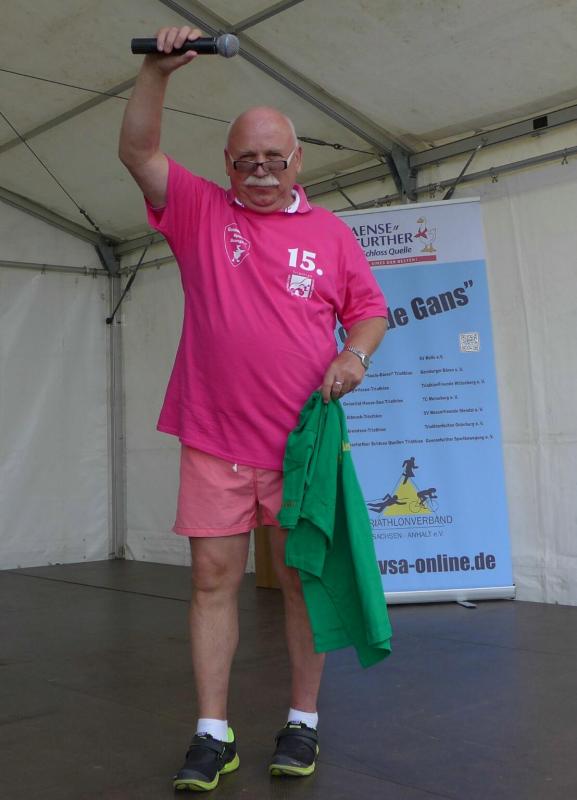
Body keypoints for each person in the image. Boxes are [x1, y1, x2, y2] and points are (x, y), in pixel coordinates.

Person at [119, 25, 388, 792]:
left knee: (302, 581)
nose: (261, 171)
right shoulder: (200, 211)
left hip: (299, 446)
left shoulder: (330, 235)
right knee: (212, 579)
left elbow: (369, 310)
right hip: (214, 438)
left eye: (274, 158)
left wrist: (354, 355)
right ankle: (213, 734)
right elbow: (137, 152)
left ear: (298, 159)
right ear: (226, 164)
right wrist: (155, 74)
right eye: (246, 160)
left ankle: (302, 722)